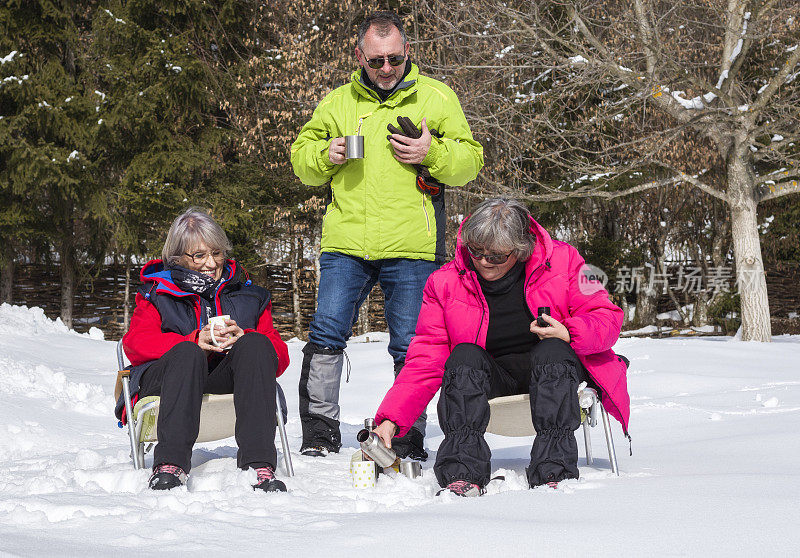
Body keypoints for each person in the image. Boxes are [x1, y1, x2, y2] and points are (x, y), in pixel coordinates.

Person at [290, 11, 483, 459]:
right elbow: (301, 160)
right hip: (346, 244)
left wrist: (431, 151)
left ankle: (405, 432)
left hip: (412, 245)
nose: (386, 69)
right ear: (359, 56)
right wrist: (325, 153)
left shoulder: (436, 97)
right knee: (326, 334)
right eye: (376, 61)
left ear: (407, 52)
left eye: (394, 58)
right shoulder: (337, 103)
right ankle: (319, 433)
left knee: (412, 346)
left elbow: (470, 160)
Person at [372, 198, 630, 496]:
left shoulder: (567, 260)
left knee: (553, 351)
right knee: (464, 355)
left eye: (495, 256)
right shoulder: (442, 283)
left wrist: (569, 333)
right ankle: (462, 474)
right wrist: (391, 419)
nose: (483, 261)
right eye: (476, 252)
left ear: (520, 250)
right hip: (487, 382)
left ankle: (554, 472)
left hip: (552, 379)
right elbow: (425, 359)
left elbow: (607, 317)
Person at [115, 209, 290, 492]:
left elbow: (280, 358)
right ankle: (169, 465)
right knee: (187, 353)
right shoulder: (157, 293)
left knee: (257, 344)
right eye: (199, 256)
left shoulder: (250, 295)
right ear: (177, 258)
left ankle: (259, 465)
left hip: (226, 377)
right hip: (169, 379)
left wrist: (245, 337)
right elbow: (135, 345)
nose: (210, 263)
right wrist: (192, 339)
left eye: (217, 253)